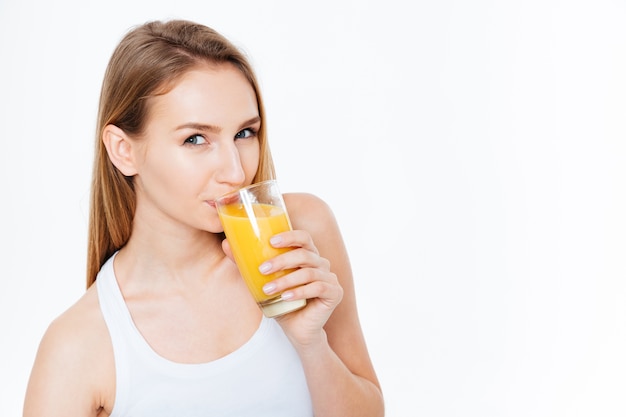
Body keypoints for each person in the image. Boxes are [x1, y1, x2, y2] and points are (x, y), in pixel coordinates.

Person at [23, 19, 384, 417]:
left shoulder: (300, 233)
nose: (234, 170)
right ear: (123, 150)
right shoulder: (77, 348)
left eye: (245, 133)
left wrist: (311, 343)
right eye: (196, 139)